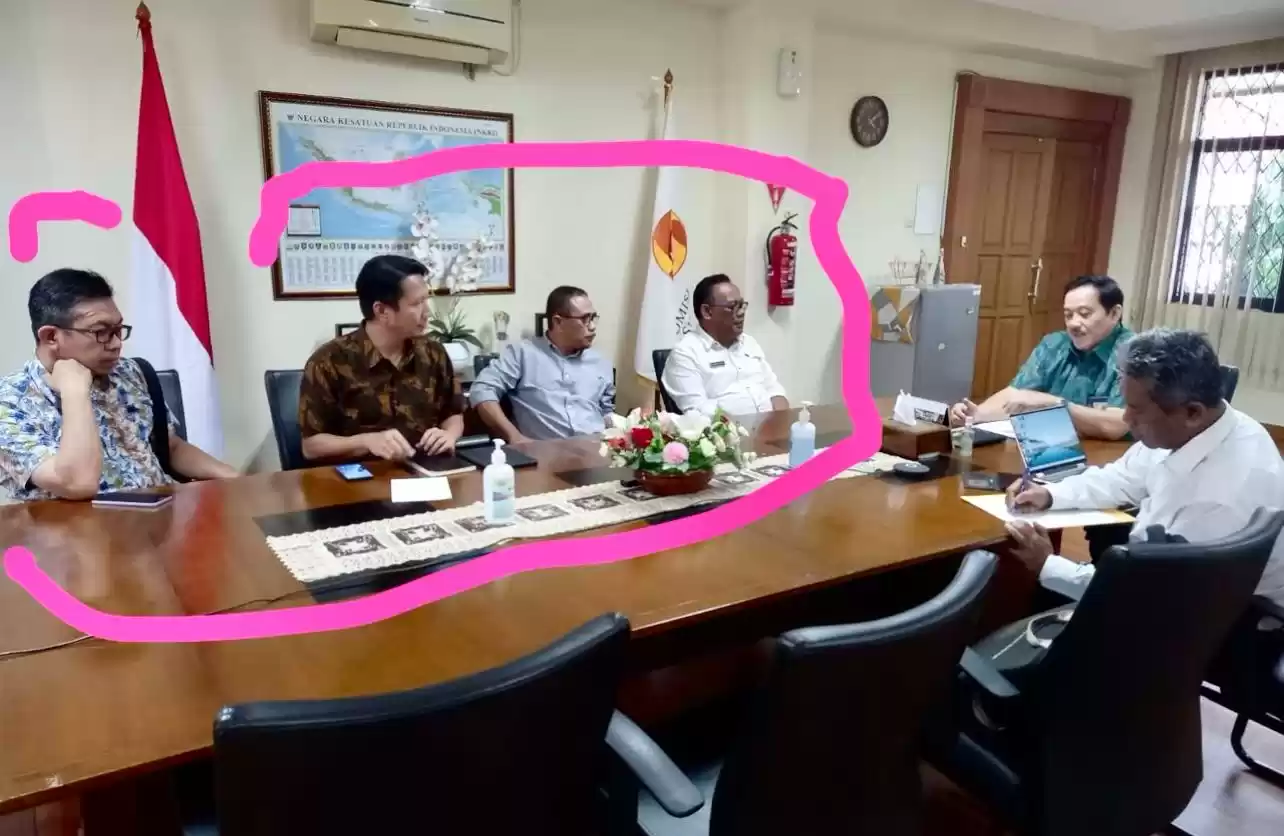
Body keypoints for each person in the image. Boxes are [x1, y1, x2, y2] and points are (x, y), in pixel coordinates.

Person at [1004, 328, 1284, 607]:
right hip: (1173, 590)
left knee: (1029, 598)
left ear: (1192, 413)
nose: (1126, 418)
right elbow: (1122, 477)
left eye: (1136, 409)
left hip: (1215, 620)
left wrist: (1048, 565)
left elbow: (1146, 597)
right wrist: (1051, 494)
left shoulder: (1217, 501)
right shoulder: (1204, 426)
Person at [0, 269, 238, 501]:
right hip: (82, 526)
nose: (116, 345)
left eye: (118, 330)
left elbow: (170, 447)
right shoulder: (11, 402)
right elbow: (78, 483)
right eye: (101, 332)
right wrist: (75, 391)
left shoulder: (128, 371)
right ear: (51, 337)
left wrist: (233, 477)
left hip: (160, 515)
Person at [298, 254, 464, 462]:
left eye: (426, 300)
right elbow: (311, 447)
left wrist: (449, 435)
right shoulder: (329, 362)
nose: (427, 312)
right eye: (416, 303)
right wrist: (365, 441)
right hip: (359, 476)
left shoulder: (433, 353)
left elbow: (453, 414)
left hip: (425, 471)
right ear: (382, 311)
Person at [950, 275, 1133, 440]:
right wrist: (977, 414)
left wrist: (1055, 404)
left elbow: (1116, 425)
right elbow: (1016, 394)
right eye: (1068, 315)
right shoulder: (1054, 344)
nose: (1073, 323)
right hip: (1057, 447)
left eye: (1084, 314)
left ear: (1114, 313)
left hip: (1114, 457)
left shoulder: (1133, 353)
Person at [469, 286, 615, 443]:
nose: (592, 326)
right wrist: (514, 437)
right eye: (584, 319)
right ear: (558, 322)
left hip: (596, 449)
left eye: (593, 318)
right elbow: (482, 390)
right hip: (545, 451)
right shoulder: (522, 354)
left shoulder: (601, 362)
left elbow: (606, 413)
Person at [661, 274, 788, 417]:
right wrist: (743, 427)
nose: (741, 313)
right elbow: (699, 411)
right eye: (732, 307)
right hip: (731, 429)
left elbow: (775, 390)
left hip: (770, 426)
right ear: (707, 311)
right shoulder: (686, 353)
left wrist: (781, 420)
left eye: (742, 305)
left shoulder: (749, 343)